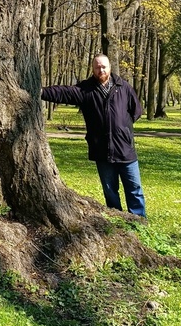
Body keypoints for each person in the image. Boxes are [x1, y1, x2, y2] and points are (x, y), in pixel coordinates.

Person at [41, 54, 146, 218]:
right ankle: (118, 222)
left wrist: (123, 128)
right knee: (110, 191)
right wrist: (41, 91)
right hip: (101, 151)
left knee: (135, 190)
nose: (101, 70)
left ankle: (140, 221)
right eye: (97, 67)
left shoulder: (123, 87)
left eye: (104, 66)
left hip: (126, 150)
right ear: (93, 69)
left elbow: (136, 111)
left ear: (110, 67)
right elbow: (64, 93)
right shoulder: (86, 90)